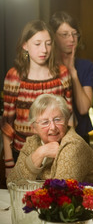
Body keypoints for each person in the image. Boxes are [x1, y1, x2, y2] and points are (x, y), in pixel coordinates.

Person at [1, 20, 73, 178]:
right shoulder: (14, 76)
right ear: (25, 45)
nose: (44, 50)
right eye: (38, 43)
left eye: (48, 44)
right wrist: (8, 163)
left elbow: (69, 119)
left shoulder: (62, 73)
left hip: (56, 155)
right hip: (21, 154)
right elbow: (7, 123)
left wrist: (67, 153)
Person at [7, 94, 93, 195]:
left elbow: (59, 193)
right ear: (34, 128)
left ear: (67, 120)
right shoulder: (32, 142)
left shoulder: (74, 145)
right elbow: (12, 183)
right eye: (45, 122)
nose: (53, 127)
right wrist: (40, 153)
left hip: (91, 207)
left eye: (57, 119)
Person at [49, 11, 93, 143]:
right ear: (53, 37)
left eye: (74, 34)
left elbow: (83, 108)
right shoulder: (46, 67)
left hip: (79, 136)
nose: (71, 39)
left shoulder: (86, 66)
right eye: (65, 35)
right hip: (51, 136)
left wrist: (73, 73)